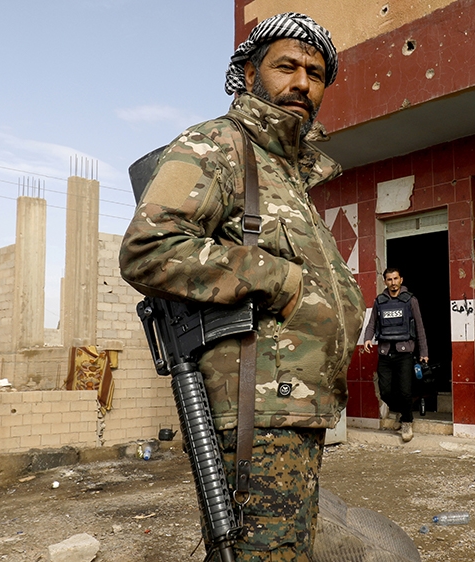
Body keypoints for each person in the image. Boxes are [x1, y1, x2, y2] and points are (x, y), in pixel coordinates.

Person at [119, 12, 365, 561]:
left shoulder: (287, 172)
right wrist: (281, 279)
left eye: (315, 74)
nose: (302, 83)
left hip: (297, 409)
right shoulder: (220, 145)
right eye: (286, 67)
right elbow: (149, 249)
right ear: (250, 73)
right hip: (257, 415)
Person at [362, 267, 428, 443]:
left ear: (401, 280)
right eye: (389, 279)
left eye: (395, 279)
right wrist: (368, 338)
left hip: (405, 352)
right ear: (385, 282)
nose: (393, 282)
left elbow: (420, 327)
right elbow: (372, 323)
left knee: (405, 391)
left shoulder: (410, 300)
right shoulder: (379, 301)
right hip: (385, 353)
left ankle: (407, 422)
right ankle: (403, 411)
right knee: (384, 392)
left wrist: (424, 352)